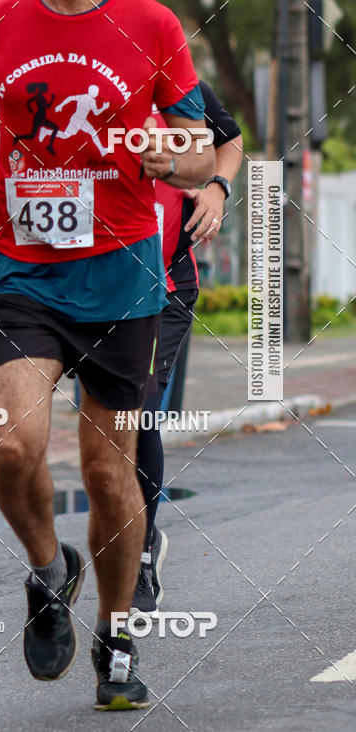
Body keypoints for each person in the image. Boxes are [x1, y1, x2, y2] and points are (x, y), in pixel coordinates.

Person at [0, 0, 214, 710]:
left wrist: (175, 156)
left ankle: (118, 635)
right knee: (14, 449)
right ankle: (43, 570)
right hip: (23, 268)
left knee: (109, 475)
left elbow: (202, 144)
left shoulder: (154, 24)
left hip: (124, 277)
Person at [132, 81, 243, 616]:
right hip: (87, 285)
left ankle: (141, 548)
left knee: (140, 411)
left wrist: (217, 188)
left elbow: (232, 140)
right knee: (102, 421)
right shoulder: (76, 78)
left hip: (167, 285)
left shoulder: (180, 84)